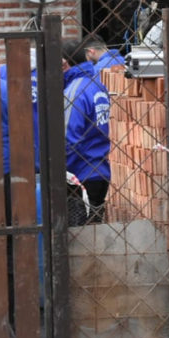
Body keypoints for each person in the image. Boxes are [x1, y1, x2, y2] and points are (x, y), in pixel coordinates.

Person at [62, 39, 111, 225]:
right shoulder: (95, 84)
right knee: (93, 233)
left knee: (78, 238)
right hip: (99, 169)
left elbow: (67, 139)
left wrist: (57, 173)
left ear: (64, 63)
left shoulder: (74, 91)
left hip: (79, 178)